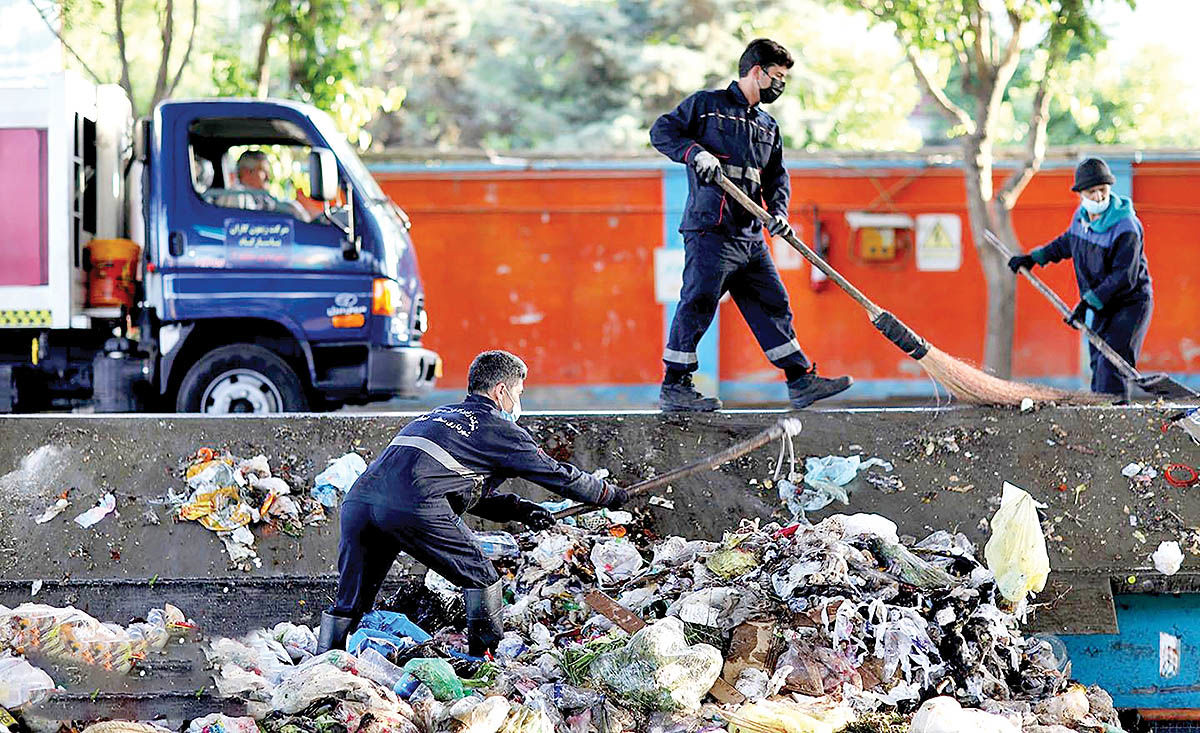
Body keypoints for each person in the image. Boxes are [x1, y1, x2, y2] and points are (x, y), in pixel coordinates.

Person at [318, 350, 626, 655]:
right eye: (519, 392)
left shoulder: (437, 416)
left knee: (352, 599)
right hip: (414, 504)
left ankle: (323, 666)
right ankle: (485, 663)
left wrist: (522, 510)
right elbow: (559, 475)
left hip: (359, 502)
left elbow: (462, 490)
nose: (519, 401)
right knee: (481, 577)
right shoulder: (500, 429)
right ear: (501, 390)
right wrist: (608, 495)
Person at [649, 38, 852, 412]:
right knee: (698, 301)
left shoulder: (767, 126)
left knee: (773, 303)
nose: (780, 85)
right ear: (756, 72)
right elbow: (662, 132)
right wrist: (695, 154)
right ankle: (675, 385)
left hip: (749, 237)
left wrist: (778, 212)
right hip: (710, 230)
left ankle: (799, 381)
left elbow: (776, 177)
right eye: (776, 76)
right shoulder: (706, 108)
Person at [1007, 157, 1153, 396]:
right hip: (1101, 303)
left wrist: (1087, 303)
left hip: (1130, 304)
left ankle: (1115, 424)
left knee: (1112, 364)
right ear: (1081, 194)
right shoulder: (1082, 218)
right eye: (1091, 192)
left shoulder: (1126, 226)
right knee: (1097, 363)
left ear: (1109, 189)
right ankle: (1100, 420)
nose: (1097, 197)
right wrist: (1033, 258)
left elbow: (1123, 277)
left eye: (1102, 190)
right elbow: (1067, 243)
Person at [212, 150, 309, 221]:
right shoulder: (236, 195)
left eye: (268, 172)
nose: (268, 176)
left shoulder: (263, 197)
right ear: (246, 172)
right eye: (263, 171)